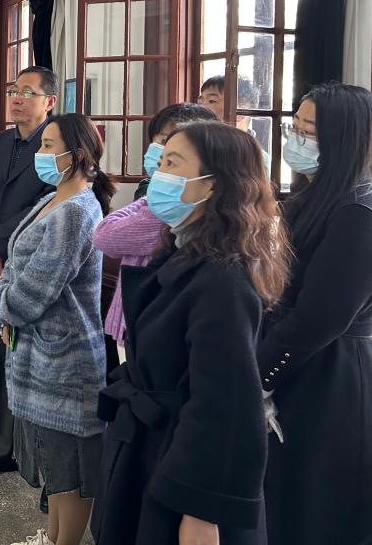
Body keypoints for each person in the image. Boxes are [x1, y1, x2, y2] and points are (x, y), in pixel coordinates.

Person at [91, 121, 287, 545]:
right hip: (152, 441)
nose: (159, 175)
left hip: (183, 464)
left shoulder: (224, 278)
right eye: (161, 162)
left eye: (173, 164)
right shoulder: (179, 250)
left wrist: (200, 510)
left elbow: (224, 403)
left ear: (212, 185)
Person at [259, 83, 372, 545]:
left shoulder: (360, 213)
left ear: (343, 139)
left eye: (308, 132)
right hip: (302, 365)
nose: (296, 140)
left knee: (322, 513)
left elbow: (317, 319)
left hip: (331, 375)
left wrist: (261, 374)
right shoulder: (317, 196)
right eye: (294, 128)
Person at [0, 114, 115, 545]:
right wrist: (5, 304)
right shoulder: (52, 199)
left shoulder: (77, 210)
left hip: (66, 358)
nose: (40, 154)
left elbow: (36, 288)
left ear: (75, 156)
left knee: (72, 468)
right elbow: (14, 266)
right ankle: (53, 536)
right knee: (56, 465)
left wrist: (1, 309)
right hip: (40, 352)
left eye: (48, 146)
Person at [0, 65, 57, 479]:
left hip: (30, 270)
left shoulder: (57, 146)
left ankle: (35, 453)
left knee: (30, 365)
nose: (17, 98)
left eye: (28, 92)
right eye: (13, 90)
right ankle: (1, 447)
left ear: (49, 101)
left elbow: (48, 201)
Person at [100, 103, 217, 348]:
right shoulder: (161, 196)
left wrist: (147, 201)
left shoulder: (170, 210)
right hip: (139, 326)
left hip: (148, 328)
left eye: (170, 155)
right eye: (159, 141)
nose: (158, 151)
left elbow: (105, 235)